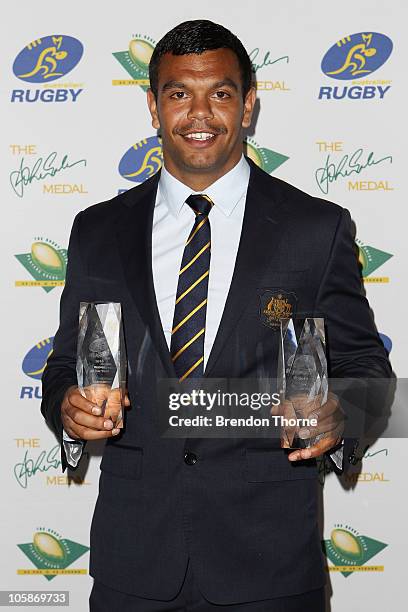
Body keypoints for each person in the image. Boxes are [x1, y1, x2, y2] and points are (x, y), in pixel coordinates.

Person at [41, 19, 392, 611]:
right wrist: (68, 410)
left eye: (220, 93)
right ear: (153, 106)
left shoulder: (316, 228)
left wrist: (341, 416)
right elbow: (65, 367)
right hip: (135, 563)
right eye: (180, 93)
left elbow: (368, 369)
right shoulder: (98, 230)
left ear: (248, 105)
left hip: (271, 563)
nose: (199, 114)